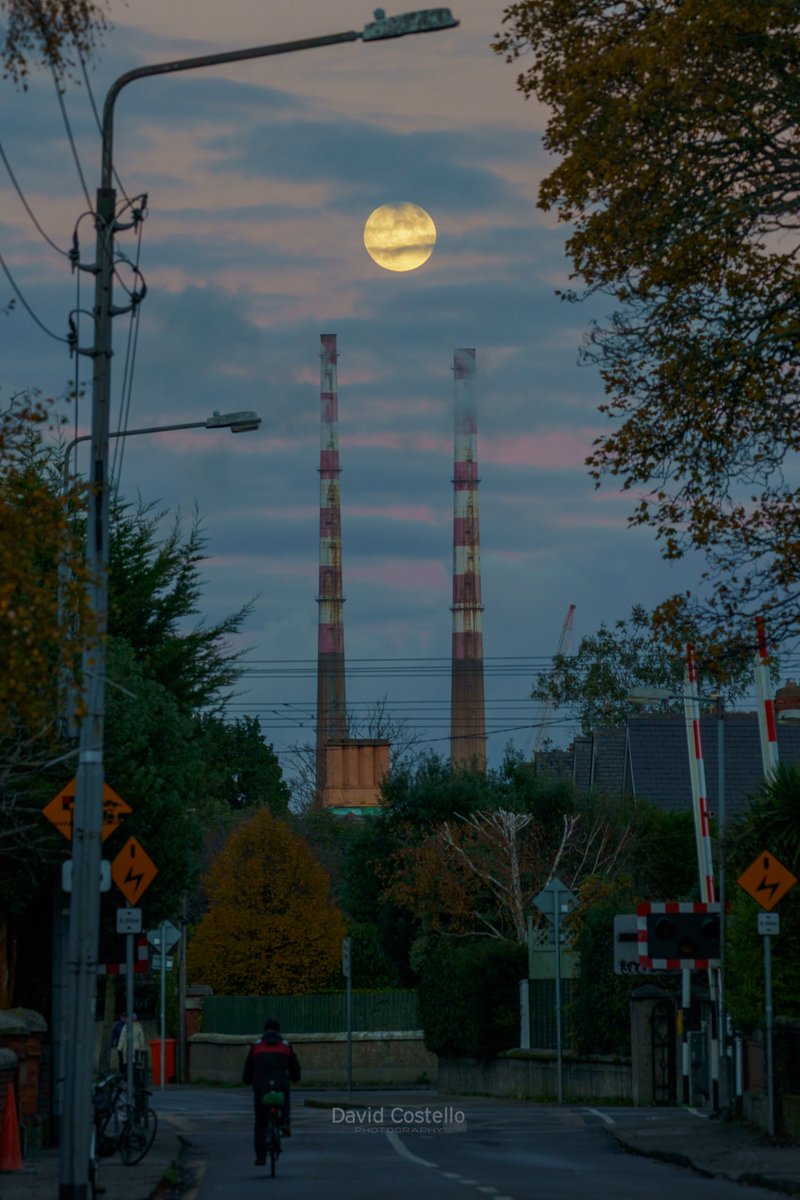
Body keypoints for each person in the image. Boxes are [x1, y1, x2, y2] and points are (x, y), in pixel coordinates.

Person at [243, 1018, 301, 1165]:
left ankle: (261, 1156)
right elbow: (294, 1066)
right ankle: (285, 1123)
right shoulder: (285, 1045)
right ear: (278, 1030)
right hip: (280, 1084)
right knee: (285, 1099)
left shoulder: (256, 1046)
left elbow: (249, 1067)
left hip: (261, 1086)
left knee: (260, 1121)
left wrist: (247, 1080)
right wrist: (295, 1078)